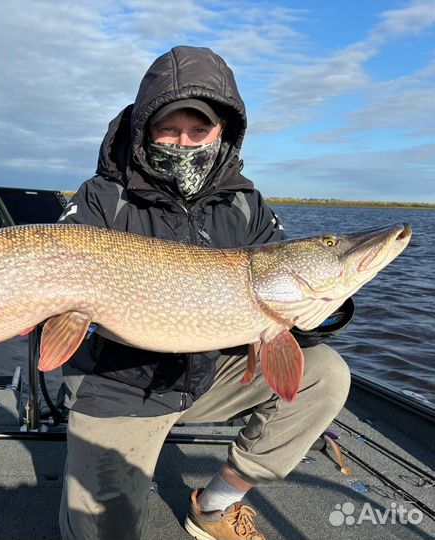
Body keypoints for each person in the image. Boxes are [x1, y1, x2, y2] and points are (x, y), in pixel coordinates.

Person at [56, 46, 352, 540]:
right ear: (144, 129)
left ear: (223, 132)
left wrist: (325, 306)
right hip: (118, 386)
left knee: (324, 374)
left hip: (209, 374)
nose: (184, 142)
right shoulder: (101, 198)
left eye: (199, 131)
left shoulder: (243, 202)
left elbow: (277, 275)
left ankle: (214, 505)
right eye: (169, 129)